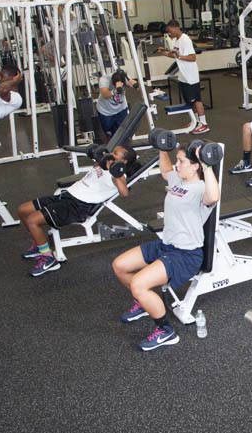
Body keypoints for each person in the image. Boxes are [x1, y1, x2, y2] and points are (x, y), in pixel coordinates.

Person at [111, 140, 219, 351]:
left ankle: (166, 331)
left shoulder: (200, 188)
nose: (177, 165)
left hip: (185, 255)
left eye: (182, 161)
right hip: (166, 245)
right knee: (119, 265)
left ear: (195, 166)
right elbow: (166, 170)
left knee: (139, 285)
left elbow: (214, 197)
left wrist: (207, 164)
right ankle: (145, 304)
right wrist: (162, 148)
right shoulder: (178, 178)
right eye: (178, 160)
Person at [16, 144, 138, 277]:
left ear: (124, 161)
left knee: (32, 220)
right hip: (67, 195)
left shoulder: (118, 175)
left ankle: (49, 259)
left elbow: (124, 193)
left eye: (115, 153)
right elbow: (96, 168)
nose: (111, 154)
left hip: (77, 206)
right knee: (23, 210)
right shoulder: (105, 163)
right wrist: (99, 158)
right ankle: (39, 246)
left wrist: (117, 173)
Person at [159, 20, 208, 134]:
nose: (169, 34)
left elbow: (192, 57)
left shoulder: (185, 39)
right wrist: (165, 52)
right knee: (189, 101)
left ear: (176, 28)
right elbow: (175, 54)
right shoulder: (177, 40)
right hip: (183, 75)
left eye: (170, 31)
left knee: (197, 100)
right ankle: (195, 121)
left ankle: (204, 124)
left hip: (191, 76)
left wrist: (179, 56)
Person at [96, 69, 136, 140]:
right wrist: (116, 90)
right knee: (110, 135)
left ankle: (125, 148)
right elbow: (105, 95)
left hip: (121, 109)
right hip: (106, 112)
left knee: (125, 132)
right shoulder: (104, 79)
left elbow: (138, 88)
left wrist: (134, 84)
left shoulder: (125, 77)